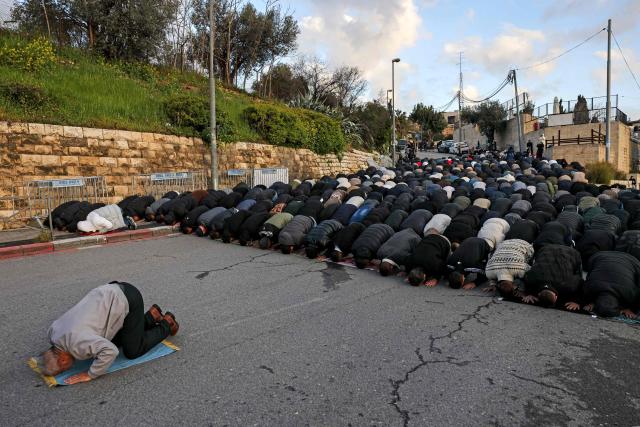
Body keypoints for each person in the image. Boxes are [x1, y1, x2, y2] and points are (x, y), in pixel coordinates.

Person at [40, 281, 178, 384]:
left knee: (133, 351)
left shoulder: (78, 343)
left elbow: (110, 351)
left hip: (129, 299)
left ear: (62, 360)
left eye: (63, 370)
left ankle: (167, 323)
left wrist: (91, 374)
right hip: (110, 290)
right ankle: (150, 317)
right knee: (115, 341)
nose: (66, 370)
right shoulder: (52, 333)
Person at [521, 245, 583, 310]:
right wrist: (529, 294)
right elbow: (527, 274)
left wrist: (576, 302)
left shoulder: (567, 285)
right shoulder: (531, 279)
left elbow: (580, 281)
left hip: (572, 253)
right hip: (545, 249)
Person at [582, 251, 640, 318]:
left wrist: (630, 309)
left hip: (632, 261)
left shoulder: (629, 293)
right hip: (600, 256)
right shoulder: (589, 288)